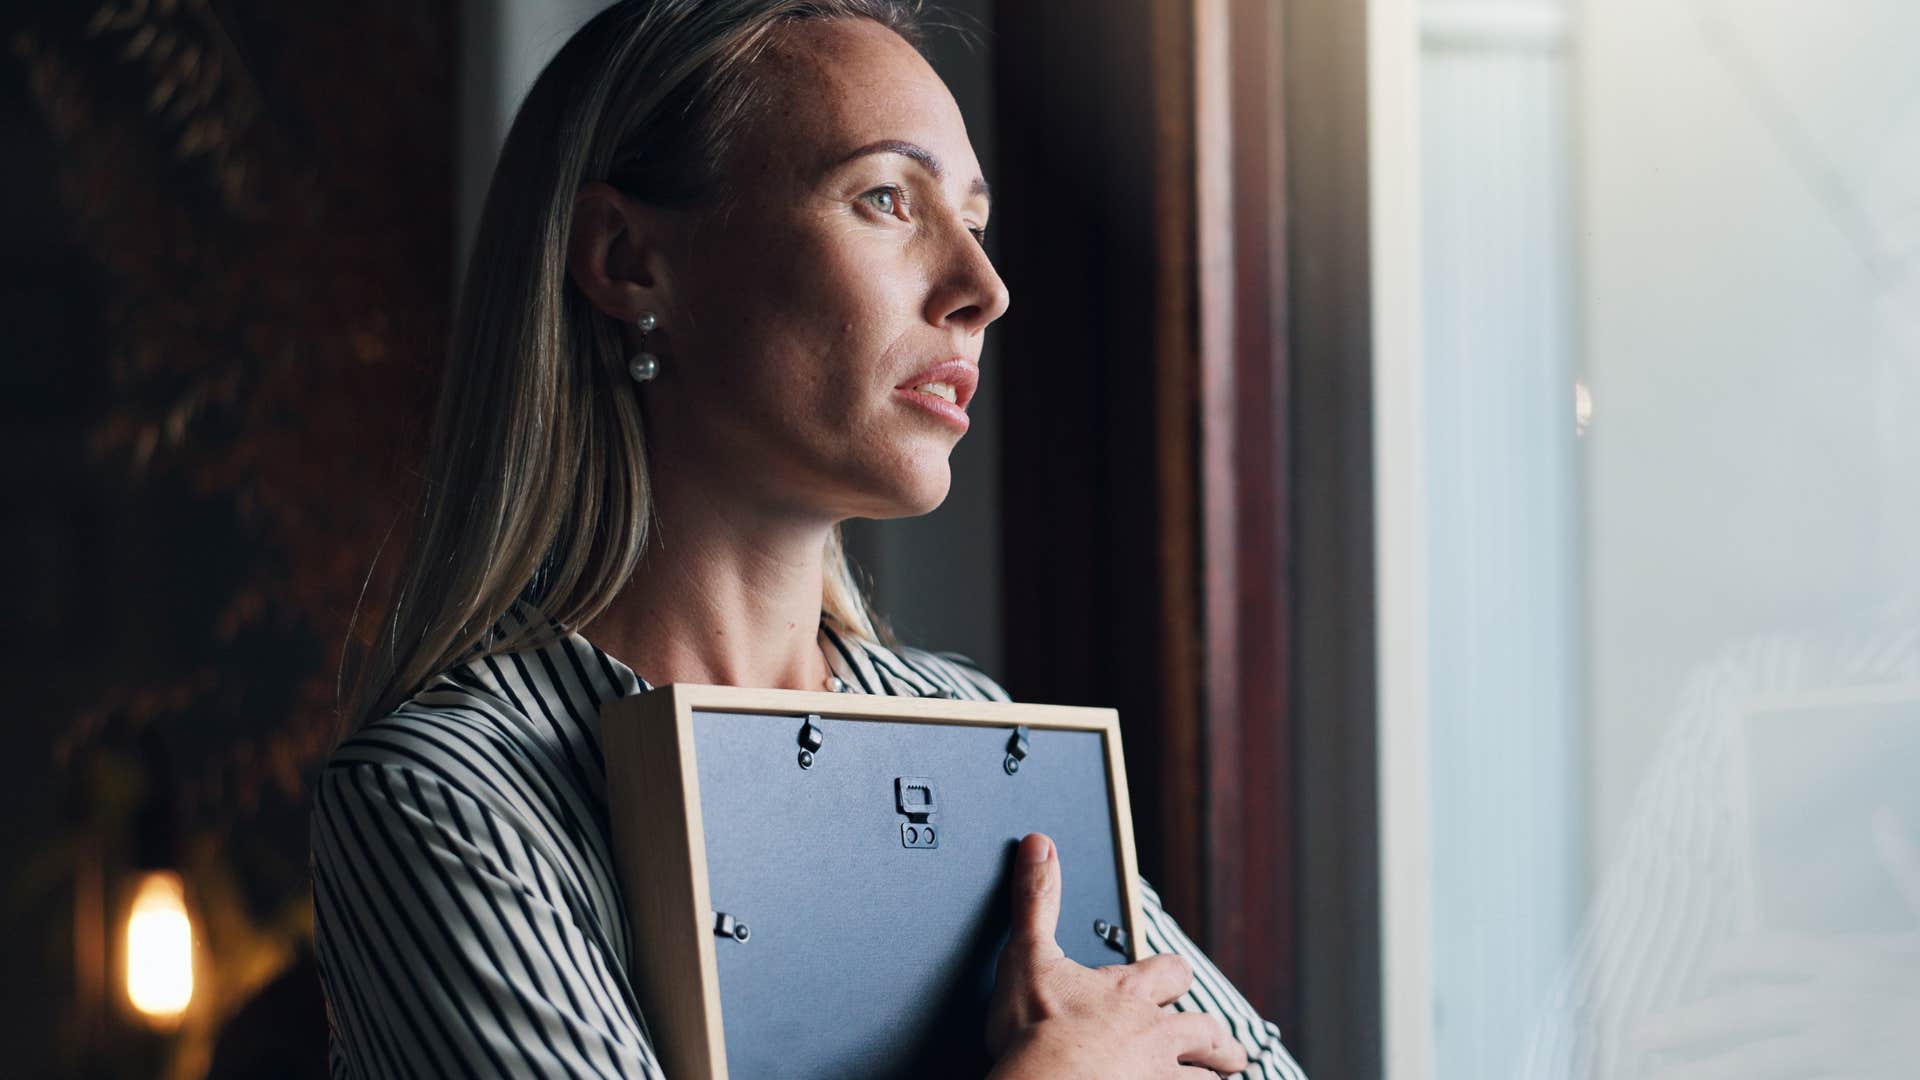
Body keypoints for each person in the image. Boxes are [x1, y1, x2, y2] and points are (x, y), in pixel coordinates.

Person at [310, 2, 1308, 1077]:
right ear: (626, 258)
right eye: (886, 198)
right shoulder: (444, 796)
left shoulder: (974, 732)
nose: (984, 289)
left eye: (975, 219)